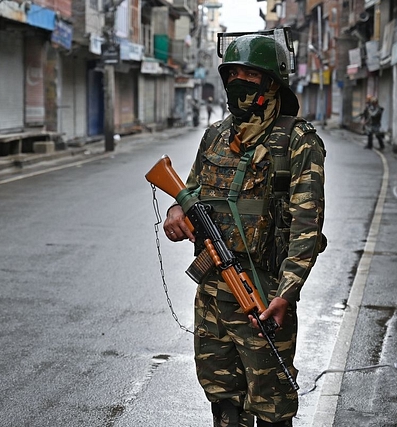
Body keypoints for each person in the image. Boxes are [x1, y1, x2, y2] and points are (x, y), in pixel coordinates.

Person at [163, 33, 326, 427]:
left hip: (263, 297)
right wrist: (174, 211)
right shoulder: (216, 136)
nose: (239, 82)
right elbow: (190, 192)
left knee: (271, 408)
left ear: (272, 82)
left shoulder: (296, 143)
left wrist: (286, 295)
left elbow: (306, 227)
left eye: (249, 75)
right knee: (223, 404)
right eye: (232, 74)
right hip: (212, 295)